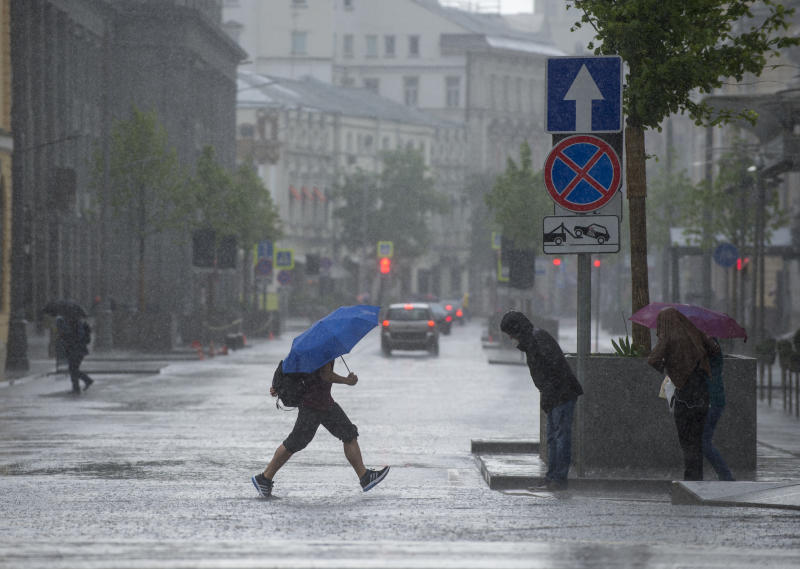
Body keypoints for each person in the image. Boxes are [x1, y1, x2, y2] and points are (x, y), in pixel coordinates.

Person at [251, 359, 389, 497]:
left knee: (344, 434)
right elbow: (326, 374)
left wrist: (278, 386)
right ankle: (264, 478)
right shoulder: (324, 349)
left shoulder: (311, 348)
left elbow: (292, 366)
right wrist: (347, 381)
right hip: (316, 404)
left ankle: (364, 476)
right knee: (298, 441)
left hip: (318, 402)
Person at [499, 311, 583, 491]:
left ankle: (558, 480)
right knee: (553, 438)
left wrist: (550, 393)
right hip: (555, 395)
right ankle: (552, 477)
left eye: (510, 333)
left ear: (516, 330)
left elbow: (554, 368)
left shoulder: (537, 340)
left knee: (560, 437)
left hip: (562, 394)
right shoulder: (532, 341)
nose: (510, 338)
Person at [647, 308, 720, 481]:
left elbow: (652, 359)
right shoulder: (695, 331)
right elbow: (715, 350)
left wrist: (667, 365)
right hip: (702, 393)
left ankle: (690, 480)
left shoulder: (669, 336)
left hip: (684, 394)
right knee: (697, 439)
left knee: (686, 441)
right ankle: (697, 479)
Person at [702, 338, 735, 481]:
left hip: (711, 401)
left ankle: (725, 475)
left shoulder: (708, 349)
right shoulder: (713, 346)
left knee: (703, 441)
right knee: (702, 441)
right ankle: (724, 475)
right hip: (713, 400)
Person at [55, 315, 94, 394]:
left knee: (73, 369)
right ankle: (76, 387)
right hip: (75, 349)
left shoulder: (76, 324)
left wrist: (67, 337)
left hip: (77, 349)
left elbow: (76, 337)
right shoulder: (75, 324)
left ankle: (86, 381)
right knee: (73, 368)